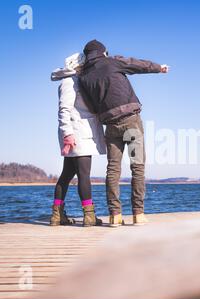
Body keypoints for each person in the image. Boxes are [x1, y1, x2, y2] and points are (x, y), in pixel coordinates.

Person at [78, 39, 169, 227]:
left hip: (110, 126)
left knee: (113, 170)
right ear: (103, 52)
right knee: (137, 166)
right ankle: (138, 213)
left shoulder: (84, 77)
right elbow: (136, 64)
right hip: (130, 121)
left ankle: (115, 215)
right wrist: (159, 68)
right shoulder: (111, 62)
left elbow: (91, 106)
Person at [49, 53, 107, 227]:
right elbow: (64, 110)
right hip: (76, 135)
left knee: (67, 175)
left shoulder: (76, 80)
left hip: (78, 134)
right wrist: (68, 134)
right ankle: (89, 216)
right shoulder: (69, 82)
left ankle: (57, 215)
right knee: (83, 174)